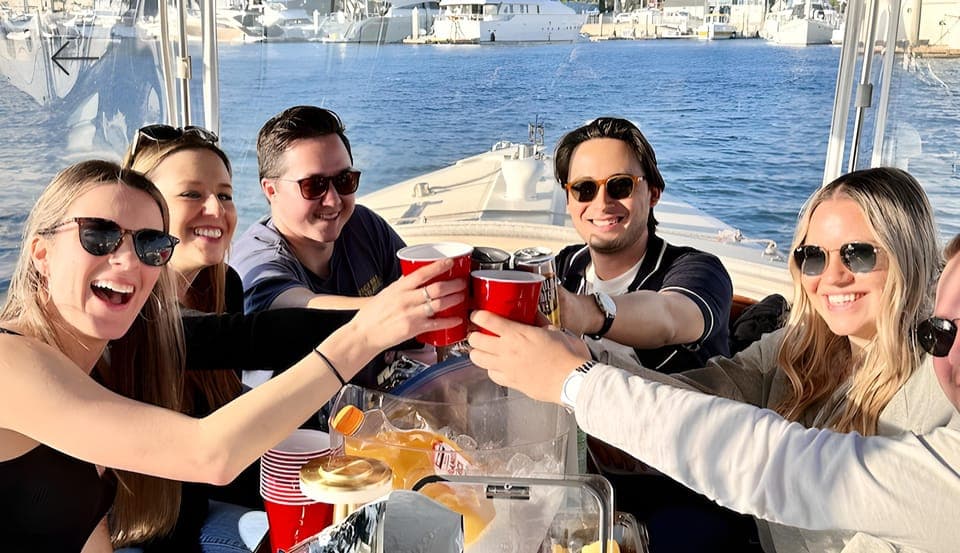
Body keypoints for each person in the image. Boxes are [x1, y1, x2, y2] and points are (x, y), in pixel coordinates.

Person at [469, 167, 958, 553]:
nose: (831, 278)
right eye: (812, 257)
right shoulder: (804, 345)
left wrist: (576, 378)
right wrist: (585, 363)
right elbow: (712, 389)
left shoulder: (937, 394)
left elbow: (777, 461)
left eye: (857, 255)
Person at [0, 159, 466, 552]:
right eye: (99, 236)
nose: (126, 260)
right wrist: (364, 334)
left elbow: (85, 529)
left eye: (149, 244)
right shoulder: (9, 362)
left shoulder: (105, 357)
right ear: (41, 252)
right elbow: (209, 454)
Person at [124, 125, 354, 552]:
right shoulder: (129, 310)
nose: (215, 208)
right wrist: (380, 321)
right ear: (144, 211)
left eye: (225, 195)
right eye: (192, 194)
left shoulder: (221, 283)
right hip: (136, 535)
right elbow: (254, 337)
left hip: (196, 509)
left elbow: (230, 397)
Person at [550, 117, 745, 551]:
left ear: (651, 193)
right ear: (569, 201)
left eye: (619, 186)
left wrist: (583, 312)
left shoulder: (697, 270)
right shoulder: (565, 268)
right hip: (582, 477)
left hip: (683, 488)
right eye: (584, 189)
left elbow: (670, 317)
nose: (601, 202)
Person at [231, 106, 406, 314]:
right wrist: (413, 304)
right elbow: (302, 310)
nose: (333, 200)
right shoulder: (257, 264)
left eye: (344, 180)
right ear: (271, 190)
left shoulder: (364, 225)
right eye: (314, 185)